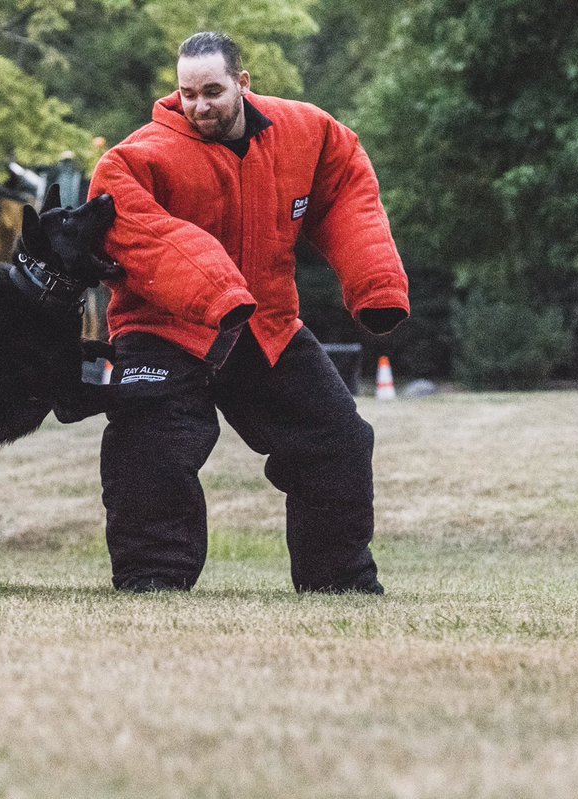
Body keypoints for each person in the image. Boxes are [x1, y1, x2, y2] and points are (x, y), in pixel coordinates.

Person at [87, 31, 410, 594]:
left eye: (212, 91)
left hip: (266, 326)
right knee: (149, 450)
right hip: (163, 328)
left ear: (243, 83)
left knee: (339, 442)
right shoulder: (133, 161)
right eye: (188, 94)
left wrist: (376, 284)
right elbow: (148, 238)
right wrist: (216, 292)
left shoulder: (309, 133)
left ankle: (340, 584)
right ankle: (151, 583)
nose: (199, 106)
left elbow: (347, 197)